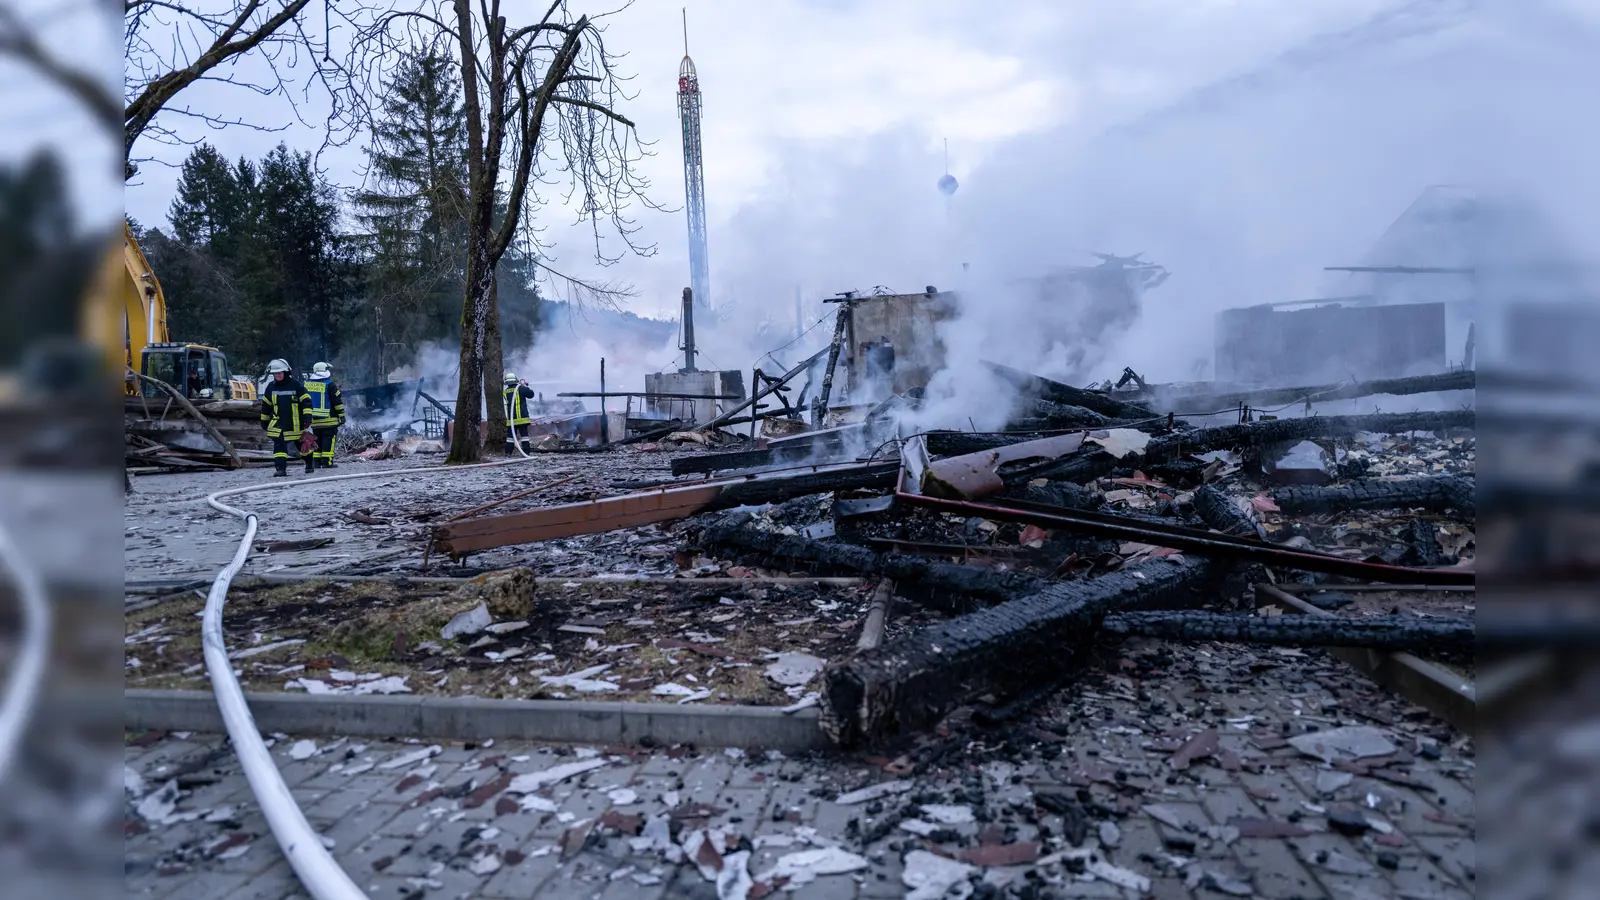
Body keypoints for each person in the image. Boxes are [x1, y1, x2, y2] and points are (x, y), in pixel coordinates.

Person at [258, 358, 313, 476]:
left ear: (286, 372)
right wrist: (264, 420)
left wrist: (307, 417)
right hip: (279, 423)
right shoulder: (271, 387)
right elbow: (266, 406)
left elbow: (306, 401)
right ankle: (280, 469)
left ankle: (309, 464)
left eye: (279, 373)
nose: (277, 375)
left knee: (302, 446)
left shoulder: (296, 385)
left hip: (296, 423)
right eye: (275, 373)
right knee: (279, 447)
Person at [304, 361, 346, 469]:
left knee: (317, 440)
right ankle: (327, 462)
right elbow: (337, 402)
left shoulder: (307, 385)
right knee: (329, 440)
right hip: (329, 420)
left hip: (315, 421)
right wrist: (342, 415)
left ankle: (316, 462)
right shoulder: (330, 384)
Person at [503, 370, 536, 457]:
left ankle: (508, 453)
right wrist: (524, 385)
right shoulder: (521, 388)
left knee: (510, 438)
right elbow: (531, 394)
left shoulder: (505, 392)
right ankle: (526, 452)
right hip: (522, 419)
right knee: (524, 436)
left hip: (511, 420)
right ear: (515, 380)